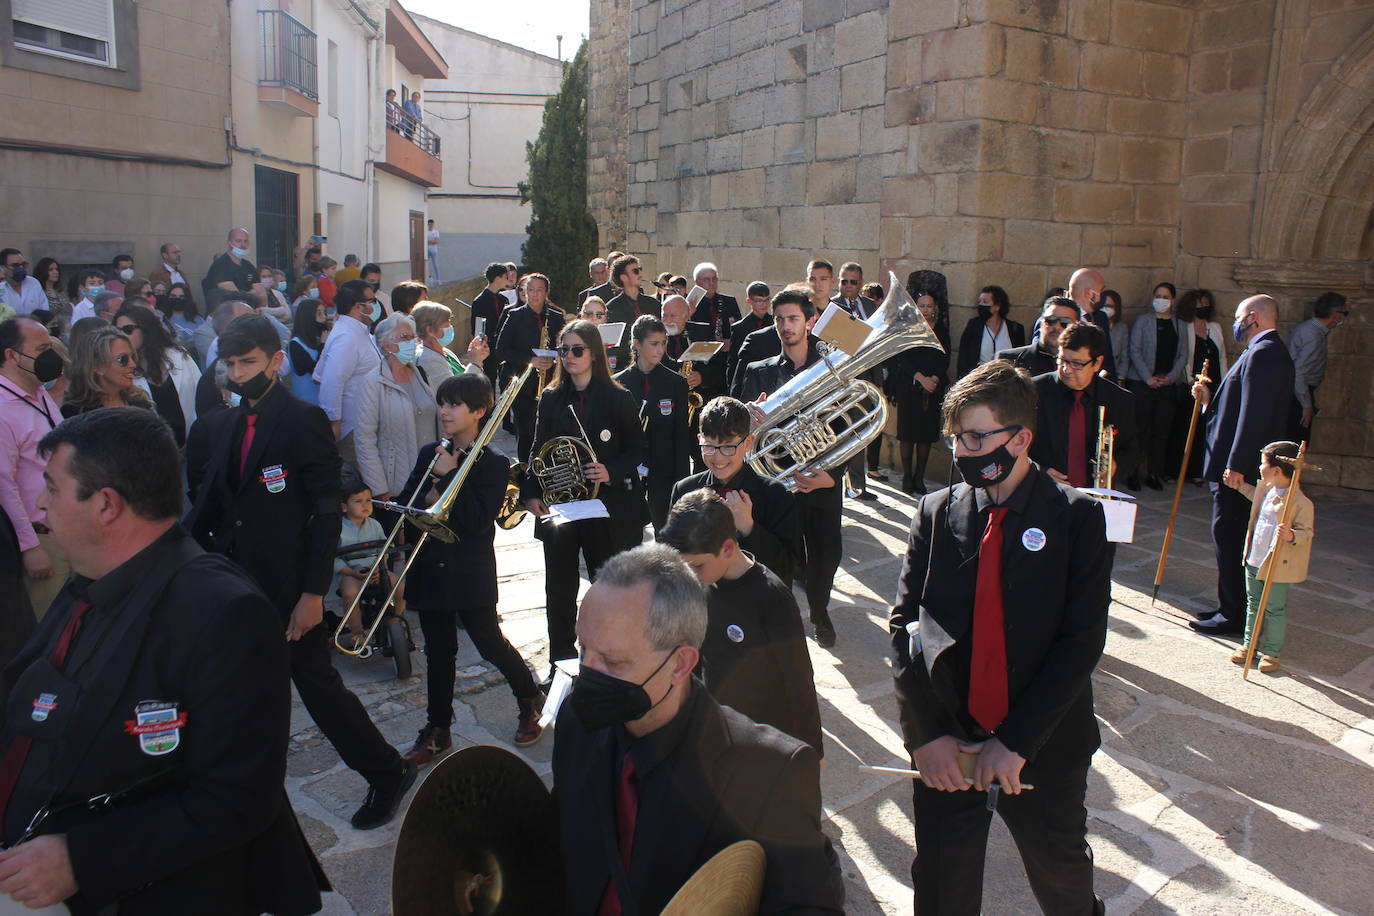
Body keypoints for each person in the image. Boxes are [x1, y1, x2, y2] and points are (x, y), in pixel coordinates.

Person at [0, 407, 326, 915]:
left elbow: (237, 798)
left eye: (52, 488)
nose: (40, 503)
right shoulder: (90, 579)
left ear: (106, 505)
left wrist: (81, 860)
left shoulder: (222, 612)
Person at [890, 360, 1110, 916]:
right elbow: (905, 627)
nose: (962, 451)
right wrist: (926, 736)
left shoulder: (1077, 518)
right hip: (950, 745)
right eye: (955, 438)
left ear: (1021, 439)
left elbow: (1081, 642)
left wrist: (1016, 743)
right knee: (942, 882)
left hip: (1043, 745)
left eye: (976, 437)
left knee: (1060, 872)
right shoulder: (936, 512)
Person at [185, 314, 416, 829]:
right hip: (236, 584)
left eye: (248, 362)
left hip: (289, 587)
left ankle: (386, 772)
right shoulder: (221, 424)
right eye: (230, 364)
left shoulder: (301, 419)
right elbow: (209, 504)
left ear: (275, 360)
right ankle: (242, 793)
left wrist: (313, 593)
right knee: (243, 693)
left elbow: (326, 512)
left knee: (317, 688)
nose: (238, 373)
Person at [553, 544, 845, 914]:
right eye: (584, 650)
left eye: (613, 661)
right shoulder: (577, 722)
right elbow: (562, 841)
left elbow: (809, 906)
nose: (589, 673)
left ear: (680, 664)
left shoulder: (771, 772)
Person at [400, 374, 543, 760]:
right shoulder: (431, 452)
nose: (444, 412)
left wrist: (448, 476)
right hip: (430, 566)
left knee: (489, 642)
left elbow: (478, 521)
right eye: (442, 403)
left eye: (454, 405)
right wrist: (432, 482)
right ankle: (438, 728)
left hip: (469, 569)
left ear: (478, 411)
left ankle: (529, 696)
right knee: (438, 652)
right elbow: (407, 505)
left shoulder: (493, 463)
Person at [520, 319, 647, 668]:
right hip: (561, 506)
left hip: (604, 507)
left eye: (577, 350)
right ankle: (560, 662)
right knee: (559, 589)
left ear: (594, 354)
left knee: (606, 587)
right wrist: (531, 492)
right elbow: (537, 448)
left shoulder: (618, 397)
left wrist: (611, 471)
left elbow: (637, 448)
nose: (570, 356)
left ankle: (605, 659)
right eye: (564, 350)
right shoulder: (551, 398)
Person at [658, 489, 822, 752]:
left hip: (762, 737)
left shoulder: (771, 597)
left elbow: (798, 678)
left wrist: (812, 747)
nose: (689, 573)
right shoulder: (700, 583)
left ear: (727, 548)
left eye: (696, 565)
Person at [737, 285, 843, 647]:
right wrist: (748, 415)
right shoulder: (758, 371)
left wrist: (833, 476)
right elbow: (738, 426)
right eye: (779, 319)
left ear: (809, 322)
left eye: (793, 318)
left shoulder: (831, 367)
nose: (785, 326)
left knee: (826, 556)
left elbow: (850, 426)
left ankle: (820, 610)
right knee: (780, 555)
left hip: (822, 478)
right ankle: (778, 619)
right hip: (777, 483)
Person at [1190, 295, 1297, 636]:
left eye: (1239, 317)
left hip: (1240, 471)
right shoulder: (1262, 351)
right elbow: (1238, 406)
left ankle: (1233, 615)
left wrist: (1237, 464)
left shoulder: (1265, 353)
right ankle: (1230, 606)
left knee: (1231, 538)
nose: (1236, 323)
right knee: (1228, 537)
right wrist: (1210, 399)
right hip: (1235, 465)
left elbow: (1255, 416)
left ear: (1253, 317)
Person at [670, 396, 800, 588]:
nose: (718, 457)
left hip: (756, 600)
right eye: (709, 446)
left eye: (728, 447)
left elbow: (787, 568)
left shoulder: (776, 495)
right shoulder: (684, 489)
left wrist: (749, 527)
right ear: (699, 440)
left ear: (748, 443)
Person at [1225, 440, 1313, 674]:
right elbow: (1255, 498)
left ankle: (1272, 652)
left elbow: (1307, 533)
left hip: (1276, 565)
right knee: (1253, 603)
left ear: (1277, 470)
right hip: (1255, 557)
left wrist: (1292, 535)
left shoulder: (1300, 502)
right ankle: (1249, 645)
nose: (1259, 467)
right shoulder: (1266, 488)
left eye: (1263, 463)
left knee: (1275, 608)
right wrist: (1240, 487)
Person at [0, 317, 67, 618]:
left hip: (67, 528)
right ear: (12, 355)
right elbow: (4, 485)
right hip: (42, 537)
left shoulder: (39, 393)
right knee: (52, 625)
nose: (50, 357)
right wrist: (30, 546)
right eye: (41, 350)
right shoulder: (3, 407)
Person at [1030, 321, 1138, 489]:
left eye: (1077, 364)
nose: (1066, 369)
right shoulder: (1032, 392)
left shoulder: (1120, 400)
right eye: (1062, 360)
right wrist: (1037, 471)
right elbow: (1011, 445)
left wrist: (1115, 467)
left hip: (1094, 494)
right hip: (1043, 491)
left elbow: (1131, 452)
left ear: (1097, 363)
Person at [615, 315, 692, 533]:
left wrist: (681, 482)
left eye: (663, 343)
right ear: (637, 344)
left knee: (666, 534)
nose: (660, 350)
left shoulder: (676, 382)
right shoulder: (618, 383)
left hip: (664, 472)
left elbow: (681, 435)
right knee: (628, 534)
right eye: (654, 344)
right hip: (629, 473)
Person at [1125, 282, 1189, 491]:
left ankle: (1154, 472)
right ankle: (1132, 472)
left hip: (1166, 385)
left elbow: (1183, 354)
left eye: (1166, 297)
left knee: (1161, 432)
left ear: (1173, 300)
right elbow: (1134, 350)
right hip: (1143, 383)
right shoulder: (1143, 321)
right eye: (1158, 296)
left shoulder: (1179, 325)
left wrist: (1170, 377)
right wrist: (1148, 378)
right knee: (1139, 430)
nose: (1161, 300)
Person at [890, 277, 951, 495]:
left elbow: (945, 357)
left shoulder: (941, 330)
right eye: (922, 305)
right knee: (907, 435)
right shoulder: (909, 327)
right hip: (909, 387)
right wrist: (920, 378)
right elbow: (902, 358)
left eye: (929, 306)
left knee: (925, 436)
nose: (925, 309)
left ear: (935, 308)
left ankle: (919, 477)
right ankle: (907, 477)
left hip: (932, 390)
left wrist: (933, 378)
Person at [495, 272, 562, 461]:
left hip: (550, 381)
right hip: (522, 382)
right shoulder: (515, 315)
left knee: (549, 428)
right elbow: (501, 349)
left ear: (546, 293)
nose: (534, 294)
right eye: (530, 290)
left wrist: (553, 360)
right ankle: (525, 467)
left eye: (539, 290)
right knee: (525, 430)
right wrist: (530, 360)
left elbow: (562, 347)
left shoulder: (556, 318)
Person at [313, 279, 383, 461]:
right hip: (353, 426)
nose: (377, 305)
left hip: (365, 420)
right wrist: (334, 422)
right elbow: (331, 380)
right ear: (358, 306)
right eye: (373, 301)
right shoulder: (346, 337)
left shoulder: (359, 331)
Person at [112, 304, 201, 446]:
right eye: (117, 331)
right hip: (153, 450)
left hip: (192, 443)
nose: (122, 336)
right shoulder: (120, 369)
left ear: (146, 329)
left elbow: (200, 392)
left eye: (128, 330)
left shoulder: (178, 356)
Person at [332, 478, 394, 648]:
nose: (365, 505)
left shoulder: (375, 525)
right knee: (350, 593)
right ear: (344, 507)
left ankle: (394, 620)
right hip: (351, 573)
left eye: (368, 500)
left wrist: (379, 566)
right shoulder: (338, 529)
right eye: (358, 501)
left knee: (400, 587)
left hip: (376, 570)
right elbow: (333, 558)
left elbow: (386, 548)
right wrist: (351, 572)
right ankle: (357, 632)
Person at [1287, 290, 1349, 443]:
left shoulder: (1312, 331)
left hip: (1297, 391)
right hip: (1297, 394)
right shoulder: (1313, 335)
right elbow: (1299, 374)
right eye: (1344, 313)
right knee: (1297, 441)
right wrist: (1306, 406)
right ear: (1336, 314)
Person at [60, 326, 153, 418]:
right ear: (97, 366)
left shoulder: (140, 401)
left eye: (132, 357)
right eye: (123, 359)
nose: (133, 365)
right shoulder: (75, 412)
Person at [999, 297, 1080, 378]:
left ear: (1077, 327)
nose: (1056, 326)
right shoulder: (1009, 360)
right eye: (1050, 320)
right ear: (1041, 324)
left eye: (1065, 322)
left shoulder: (1084, 364)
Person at [604, 255, 661, 368]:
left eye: (640, 269)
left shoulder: (653, 304)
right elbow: (610, 346)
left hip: (654, 364)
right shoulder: (612, 308)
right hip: (626, 366)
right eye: (635, 271)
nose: (640, 274)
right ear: (624, 277)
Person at [958, 285, 1025, 378]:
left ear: (997, 306)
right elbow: (963, 357)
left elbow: (1021, 359)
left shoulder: (1015, 329)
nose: (981, 305)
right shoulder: (974, 326)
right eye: (979, 302)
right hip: (980, 380)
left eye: (985, 302)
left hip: (1007, 380)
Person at [413, 300, 485, 380]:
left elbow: (463, 375)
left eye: (449, 321)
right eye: (446, 323)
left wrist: (478, 358)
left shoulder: (445, 352)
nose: (450, 326)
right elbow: (455, 386)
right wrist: (475, 363)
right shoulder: (427, 360)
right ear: (430, 330)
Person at [1066, 267, 1117, 379]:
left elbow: (1108, 358)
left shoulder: (1101, 318)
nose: (1101, 298)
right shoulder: (1057, 318)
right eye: (1101, 292)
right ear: (1089, 293)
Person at [204, 228, 264, 305]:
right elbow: (236, 299)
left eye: (245, 241)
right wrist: (252, 294)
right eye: (238, 241)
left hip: (252, 310)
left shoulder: (249, 266)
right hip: (227, 311)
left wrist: (249, 296)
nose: (243, 245)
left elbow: (263, 298)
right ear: (229, 243)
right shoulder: (220, 265)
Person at [727, 280, 772, 385]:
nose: (764, 304)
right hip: (749, 380)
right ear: (749, 301)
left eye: (767, 300)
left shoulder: (775, 323)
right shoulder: (739, 328)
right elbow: (733, 362)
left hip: (772, 376)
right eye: (759, 301)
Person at [287, 298, 326, 405]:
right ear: (308, 317)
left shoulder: (318, 339)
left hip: (323, 400)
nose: (324, 317)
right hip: (306, 403)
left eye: (324, 313)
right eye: (319, 313)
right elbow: (315, 371)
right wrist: (323, 346)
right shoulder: (296, 344)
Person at [688, 261, 740, 339]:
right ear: (697, 282)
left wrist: (730, 341)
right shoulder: (690, 304)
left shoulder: (729, 302)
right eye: (706, 279)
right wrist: (689, 314)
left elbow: (738, 329)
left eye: (714, 279)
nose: (711, 283)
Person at [32, 257, 70, 332]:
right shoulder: (39, 293)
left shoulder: (61, 292)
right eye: (51, 269)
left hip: (65, 328)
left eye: (56, 269)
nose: (55, 272)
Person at [426, 220, 441, 284]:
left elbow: (436, 241)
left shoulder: (436, 232)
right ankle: (427, 278)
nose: (431, 225)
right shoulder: (425, 232)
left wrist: (428, 242)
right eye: (429, 224)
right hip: (426, 250)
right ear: (428, 224)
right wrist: (432, 241)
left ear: (433, 224)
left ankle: (438, 280)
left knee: (435, 265)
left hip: (434, 251)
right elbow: (424, 241)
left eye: (432, 224)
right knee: (426, 265)